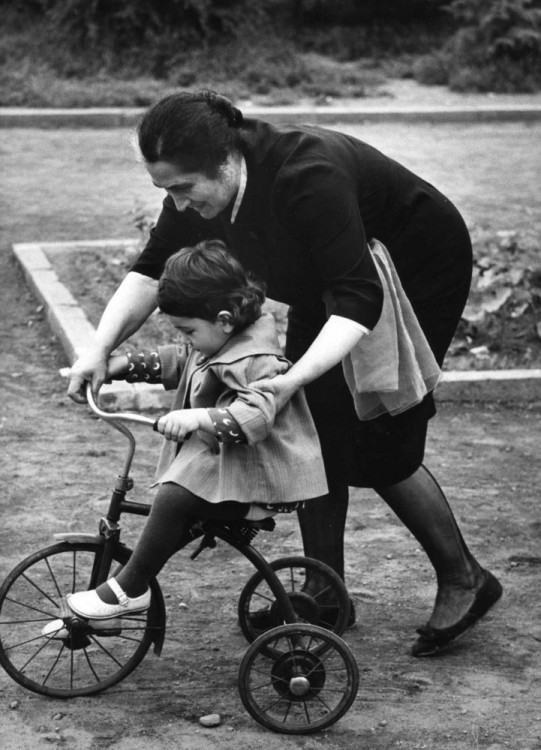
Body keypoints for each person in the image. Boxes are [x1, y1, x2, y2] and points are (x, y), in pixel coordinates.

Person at [67, 90, 502, 656]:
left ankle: (465, 578)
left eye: (181, 188)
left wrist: (292, 379)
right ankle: (327, 594)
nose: (174, 203)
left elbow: (357, 298)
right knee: (315, 428)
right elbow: (151, 270)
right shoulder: (203, 188)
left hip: (411, 264)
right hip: (336, 279)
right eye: (164, 190)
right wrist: (99, 348)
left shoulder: (307, 176)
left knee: (381, 439)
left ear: (225, 162)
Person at [44, 240, 328, 631]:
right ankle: (112, 602)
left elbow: (256, 416)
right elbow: (180, 359)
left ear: (225, 319)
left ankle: (130, 589)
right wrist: (117, 365)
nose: (188, 339)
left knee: (175, 494)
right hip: (228, 468)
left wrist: (199, 418)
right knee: (176, 504)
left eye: (188, 330)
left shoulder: (257, 360)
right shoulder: (218, 338)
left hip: (260, 477)